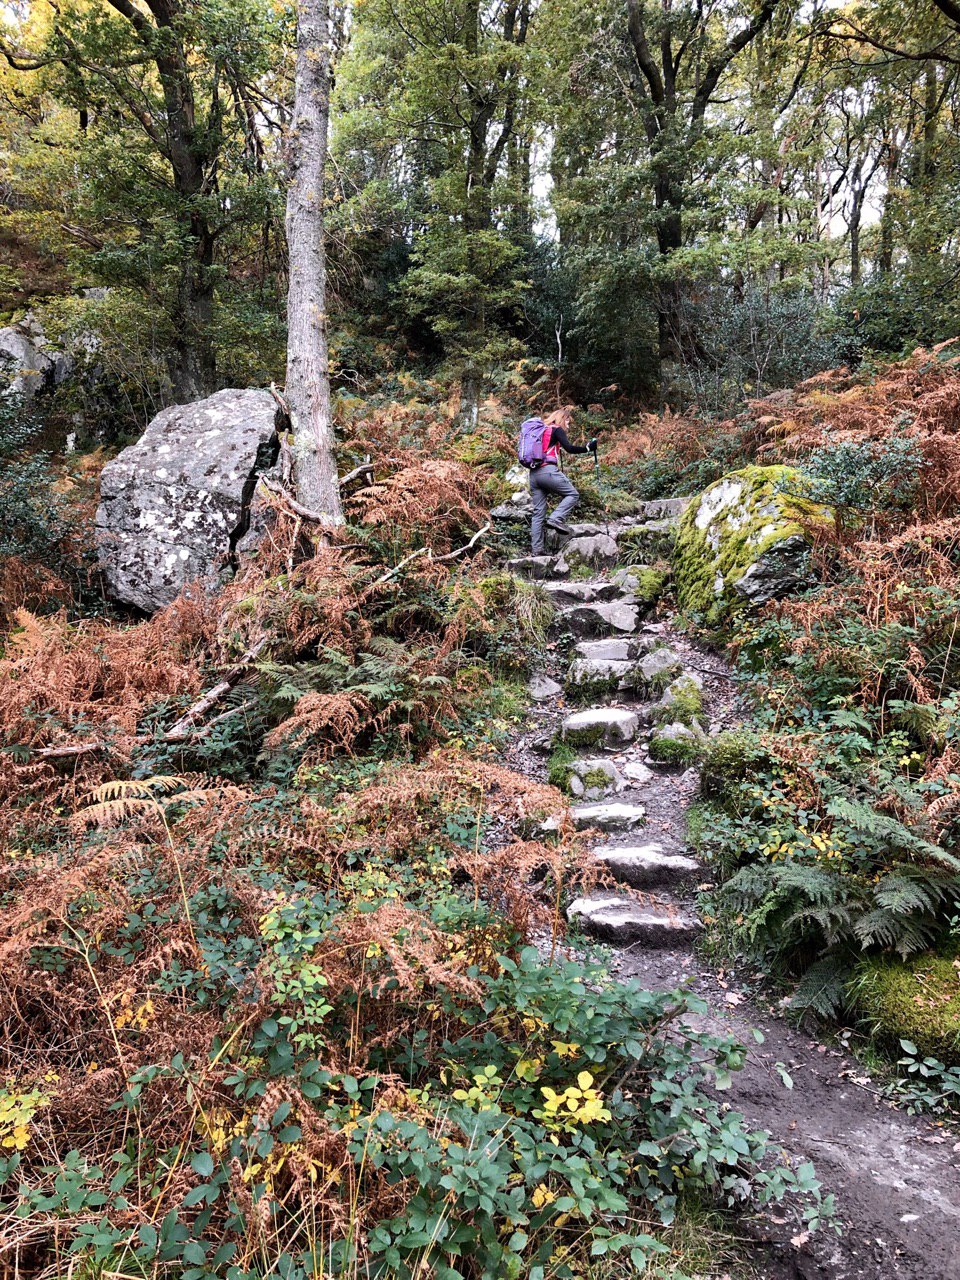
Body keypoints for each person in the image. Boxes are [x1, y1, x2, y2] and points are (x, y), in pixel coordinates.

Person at [529, 411, 597, 555]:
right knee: (572, 494)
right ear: (561, 419)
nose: (568, 424)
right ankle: (555, 518)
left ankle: (537, 551)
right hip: (547, 471)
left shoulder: (540, 430)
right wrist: (588, 448)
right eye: (567, 421)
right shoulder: (556, 429)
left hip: (534, 475)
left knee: (538, 514)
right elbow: (570, 448)